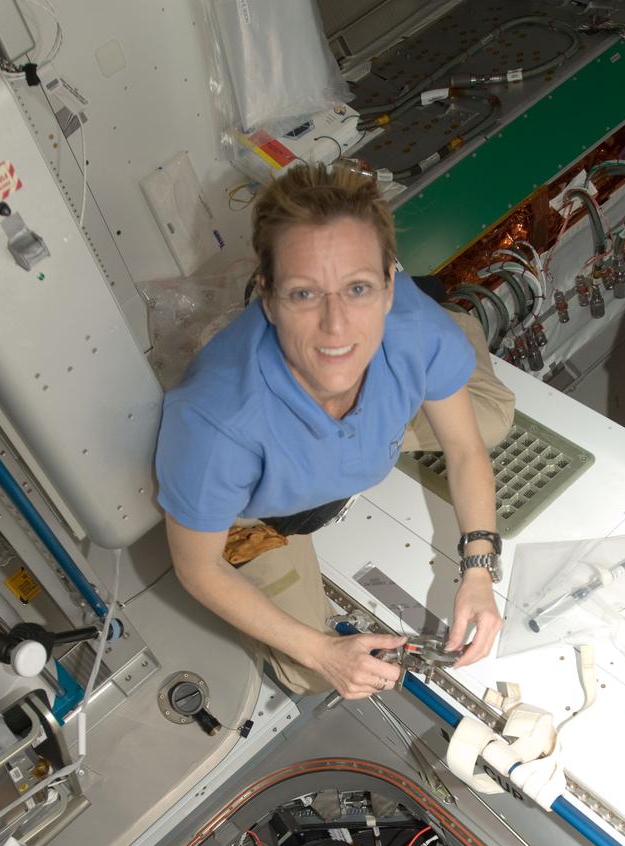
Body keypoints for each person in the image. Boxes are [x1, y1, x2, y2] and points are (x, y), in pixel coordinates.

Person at [156, 162, 516, 700]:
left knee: (491, 414)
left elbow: (464, 449)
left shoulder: (413, 329)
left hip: (375, 409)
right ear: (268, 297)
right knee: (308, 673)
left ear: (391, 287)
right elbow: (197, 569)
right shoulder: (216, 426)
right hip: (260, 511)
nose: (336, 326)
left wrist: (480, 572)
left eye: (358, 288)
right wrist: (323, 652)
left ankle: (420, 380)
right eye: (304, 294)